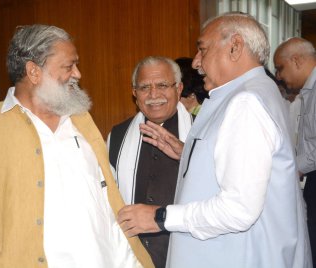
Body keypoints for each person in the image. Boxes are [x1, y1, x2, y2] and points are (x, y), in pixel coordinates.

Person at [0, 24, 154, 268]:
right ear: (34, 72)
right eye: (68, 66)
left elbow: (104, 198)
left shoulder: (81, 121)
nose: (78, 74)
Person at [118, 13, 312, 268]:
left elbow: (238, 209)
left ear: (235, 47)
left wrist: (160, 217)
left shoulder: (246, 103)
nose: (196, 63)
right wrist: (190, 153)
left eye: (203, 50)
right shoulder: (255, 92)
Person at [107, 56, 192, 267]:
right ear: (135, 94)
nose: (154, 95)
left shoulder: (200, 134)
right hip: (132, 255)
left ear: (179, 88)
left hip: (186, 252)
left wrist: (190, 154)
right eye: (145, 87)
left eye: (163, 85)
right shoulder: (117, 136)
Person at [274, 37, 316, 265]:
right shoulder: (308, 90)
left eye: (280, 68)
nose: (279, 76)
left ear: (297, 60)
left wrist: (292, 169)